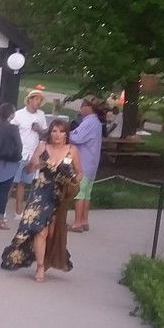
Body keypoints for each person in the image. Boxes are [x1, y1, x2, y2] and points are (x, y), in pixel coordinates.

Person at [0, 118, 81, 282]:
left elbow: (80, 172)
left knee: (51, 232)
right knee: (39, 230)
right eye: (54, 131)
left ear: (66, 134)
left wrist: (73, 182)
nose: (57, 135)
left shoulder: (71, 150)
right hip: (41, 192)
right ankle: (40, 267)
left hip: (59, 195)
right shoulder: (43, 147)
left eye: (61, 131)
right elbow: (29, 168)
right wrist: (35, 164)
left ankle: (49, 257)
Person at [12, 90, 50, 214]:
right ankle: (2, 211)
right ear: (30, 100)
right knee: (12, 182)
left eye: (40, 100)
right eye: (37, 99)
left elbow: (45, 133)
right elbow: (11, 131)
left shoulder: (41, 115)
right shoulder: (18, 115)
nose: (39, 102)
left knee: (23, 183)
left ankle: (19, 211)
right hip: (19, 153)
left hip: (32, 154)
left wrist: (39, 130)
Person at [69, 96, 104, 232]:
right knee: (87, 194)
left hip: (83, 163)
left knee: (79, 193)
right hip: (92, 163)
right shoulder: (96, 122)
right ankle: (84, 220)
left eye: (83, 105)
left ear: (89, 107)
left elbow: (76, 138)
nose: (81, 107)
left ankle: (77, 223)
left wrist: (65, 134)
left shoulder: (88, 122)